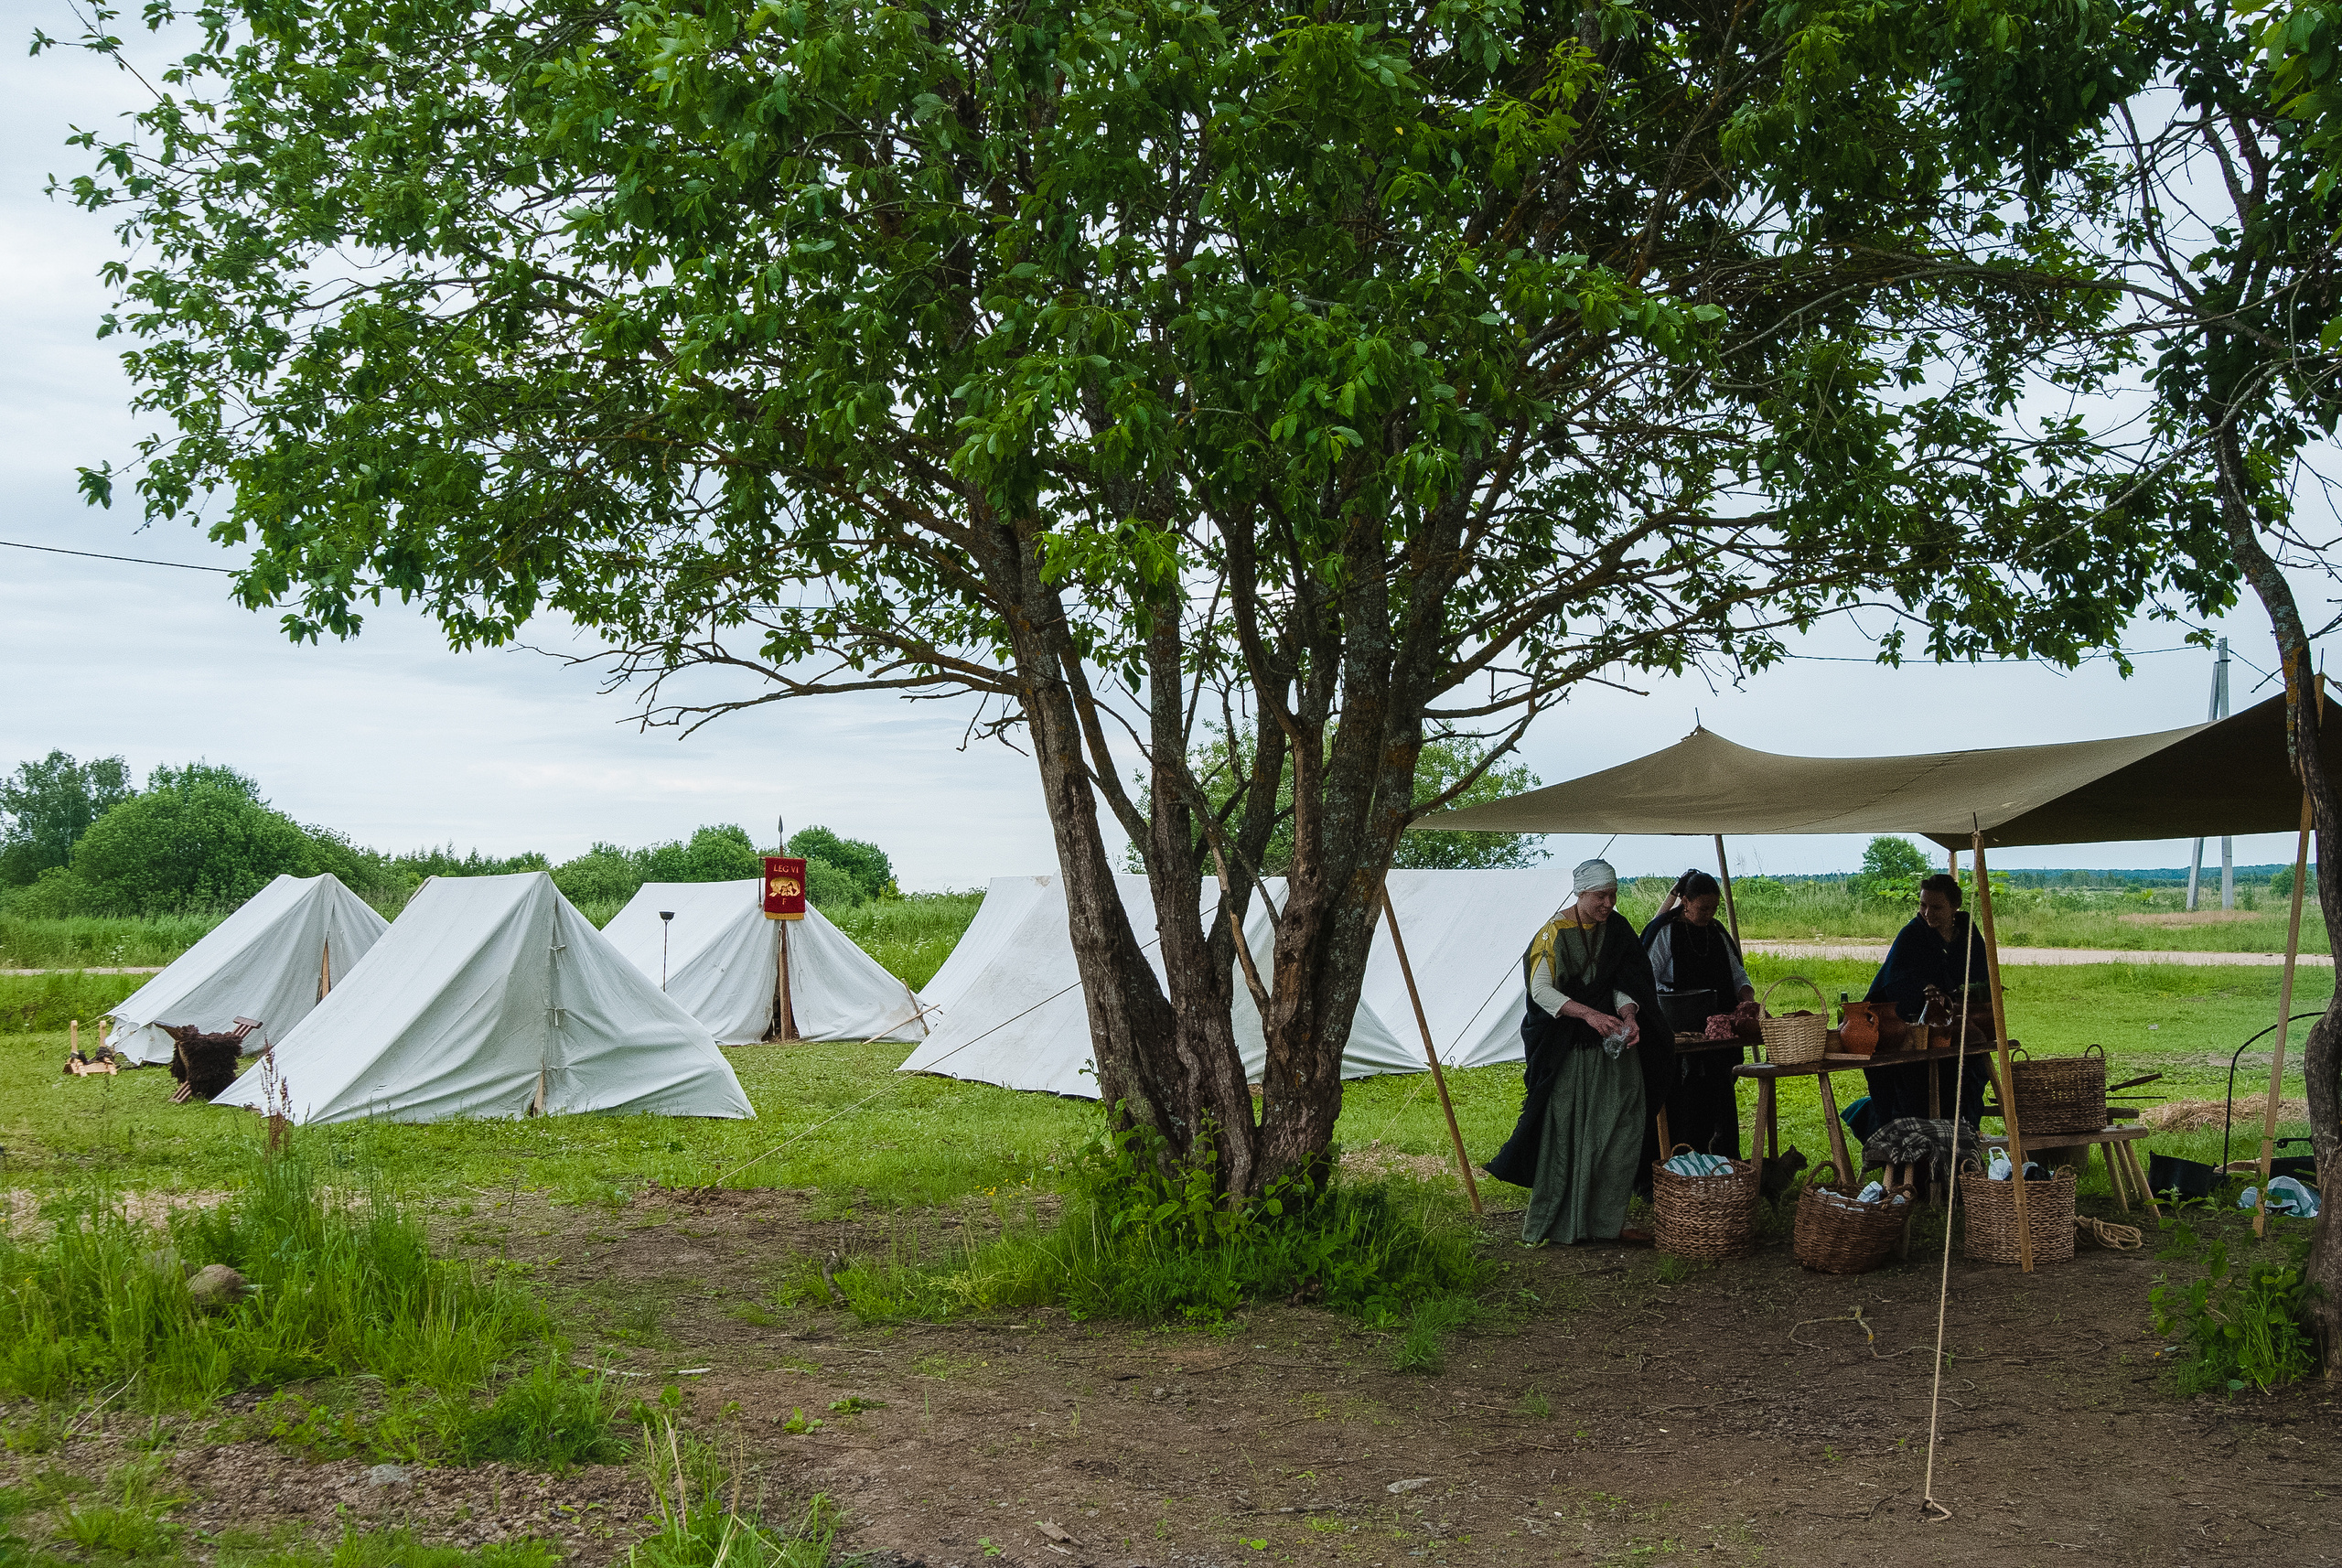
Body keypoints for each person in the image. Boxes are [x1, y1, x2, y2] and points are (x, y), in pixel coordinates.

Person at [1485, 858, 1667, 1246]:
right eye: (1601, 896)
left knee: (1624, 1130)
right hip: (1569, 1051)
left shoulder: (1616, 929)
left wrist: (1628, 1014)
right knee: (1567, 1136)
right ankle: (1557, 1224)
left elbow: (1622, 980)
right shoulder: (1553, 934)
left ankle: (1607, 1223)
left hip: (1613, 1052)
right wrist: (1589, 1016)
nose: (1608, 903)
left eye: (1613, 895)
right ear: (1580, 892)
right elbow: (1542, 991)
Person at [1642, 870, 1758, 1158]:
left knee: (1719, 1093)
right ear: (1684, 901)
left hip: (1718, 1032)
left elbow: (1737, 975)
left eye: (1714, 908)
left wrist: (1747, 999)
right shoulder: (1666, 931)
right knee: (1684, 1096)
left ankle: (1722, 1157)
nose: (1709, 913)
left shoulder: (1717, 932)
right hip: (1677, 1028)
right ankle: (1682, 1157)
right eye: (1702, 908)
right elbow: (1646, 980)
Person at [1862, 872, 1990, 1128]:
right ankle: (1912, 1143)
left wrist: (1962, 998)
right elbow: (1894, 983)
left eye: (1936, 907)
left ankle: (1959, 1137)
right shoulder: (1911, 935)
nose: (1927, 913)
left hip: (1960, 1028)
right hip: (1913, 1033)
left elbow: (1981, 979)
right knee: (1913, 1084)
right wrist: (1925, 991)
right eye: (1923, 905)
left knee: (1969, 1073)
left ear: (1955, 907)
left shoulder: (1968, 936)